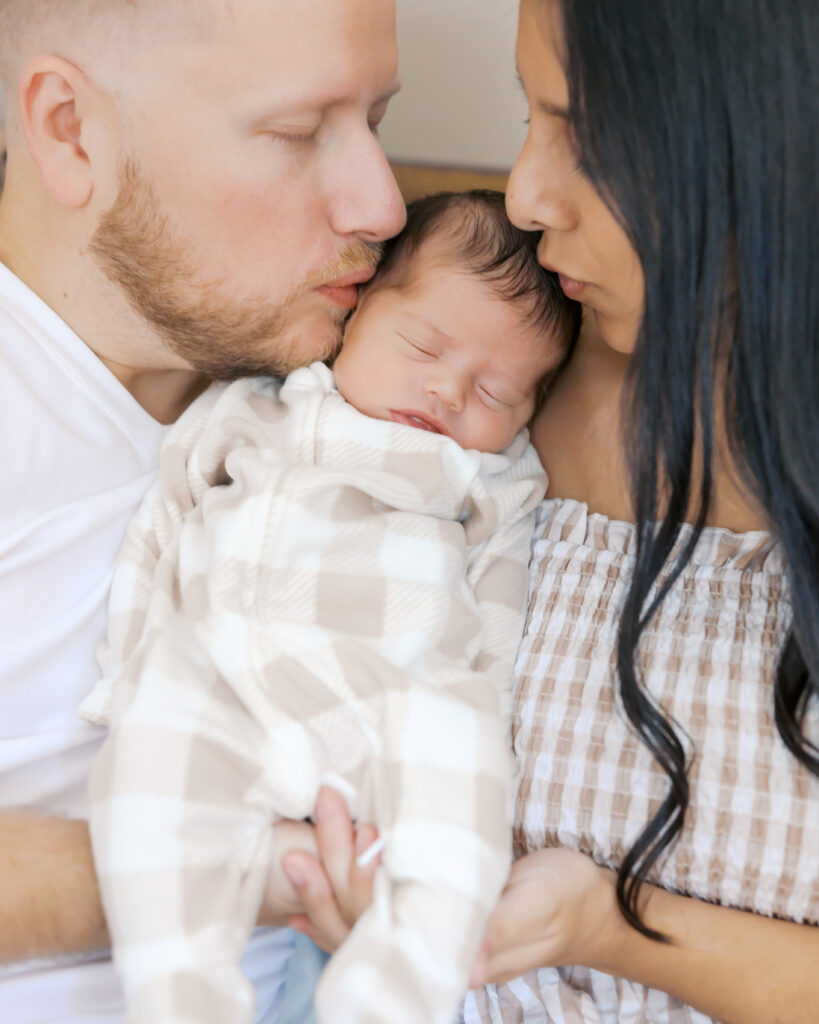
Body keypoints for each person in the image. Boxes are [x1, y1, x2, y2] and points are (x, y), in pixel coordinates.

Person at [280, 2, 819, 1023]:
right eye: (531, 119)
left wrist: (607, 928)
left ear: (767, 134)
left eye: (584, 134)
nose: (526, 194)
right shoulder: (515, 392)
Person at [80, 190, 580, 1024]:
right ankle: (179, 987)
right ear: (357, 313)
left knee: (463, 776)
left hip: (390, 699)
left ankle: (401, 979)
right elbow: (162, 523)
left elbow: (502, 603)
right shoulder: (263, 409)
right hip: (231, 675)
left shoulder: (492, 476)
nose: (450, 391)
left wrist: (480, 714)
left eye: (498, 393)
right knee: (144, 768)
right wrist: (128, 665)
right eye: (422, 344)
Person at [0, 1, 407, 1021]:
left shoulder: (358, 377)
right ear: (67, 129)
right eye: (296, 133)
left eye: (378, 121)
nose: (383, 204)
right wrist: (256, 871)